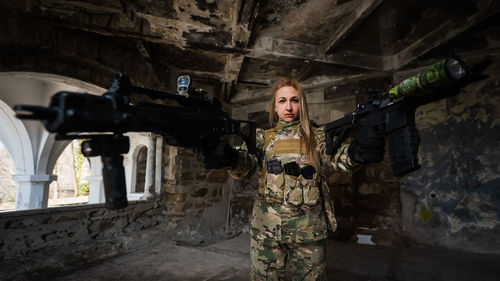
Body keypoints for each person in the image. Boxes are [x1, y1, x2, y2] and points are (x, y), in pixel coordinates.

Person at [202, 77, 385, 280]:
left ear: (302, 104)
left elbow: (338, 158)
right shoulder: (262, 138)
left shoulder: (318, 137)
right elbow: (246, 165)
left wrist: (356, 153)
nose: (288, 107)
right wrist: (231, 158)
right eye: (282, 101)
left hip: (308, 232)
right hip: (267, 232)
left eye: (294, 100)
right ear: (274, 106)